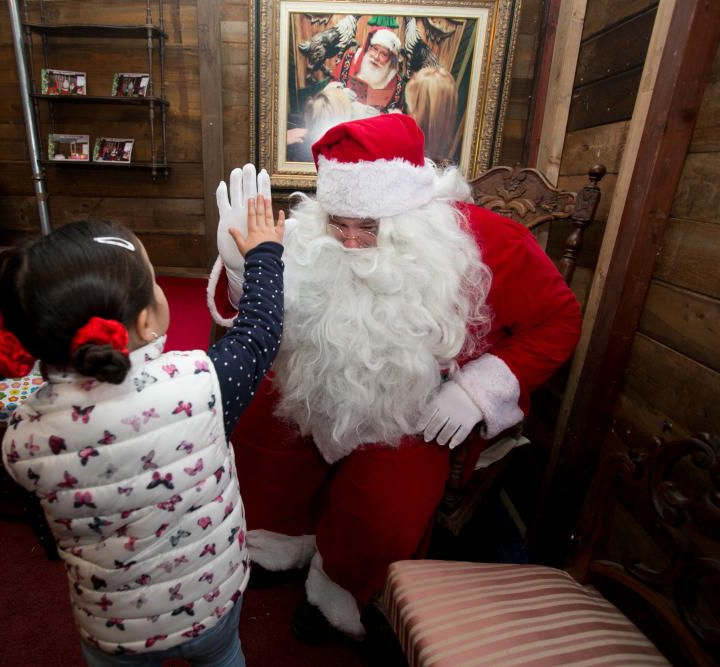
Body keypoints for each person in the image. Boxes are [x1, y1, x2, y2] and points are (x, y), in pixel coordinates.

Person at [206, 114, 582, 641]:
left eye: (370, 227)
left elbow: (559, 319)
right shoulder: (306, 234)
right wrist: (246, 269)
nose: (352, 241)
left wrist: (479, 389)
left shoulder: (488, 242)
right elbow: (269, 315)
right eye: (339, 223)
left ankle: (337, 584)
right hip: (315, 382)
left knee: (385, 509)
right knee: (259, 434)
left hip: (414, 405)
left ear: (411, 211)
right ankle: (277, 541)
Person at [0, 209, 285, 665]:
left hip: (112, 625)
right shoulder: (201, 384)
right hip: (211, 601)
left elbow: (45, 526)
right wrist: (264, 256)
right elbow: (259, 334)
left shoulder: (24, 434)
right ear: (148, 322)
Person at [332, 28, 405, 112]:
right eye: (375, 49)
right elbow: (329, 90)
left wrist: (380, 116)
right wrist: (340, 94)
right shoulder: (348, 61)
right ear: (368, 47)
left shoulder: (396, 83)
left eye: (384, 54)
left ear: (390, 59)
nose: (376, 57)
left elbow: (396, 115)